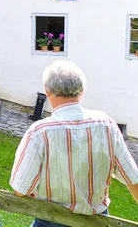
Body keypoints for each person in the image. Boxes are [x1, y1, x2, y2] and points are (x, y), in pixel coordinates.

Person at [10, 61, 138, 225]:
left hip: (51, 219)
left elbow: (21, 189)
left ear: (47, 92)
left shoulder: (40, 132)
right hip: (97, 221)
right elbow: (133, 179)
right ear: (82, 91)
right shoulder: (107, 125)